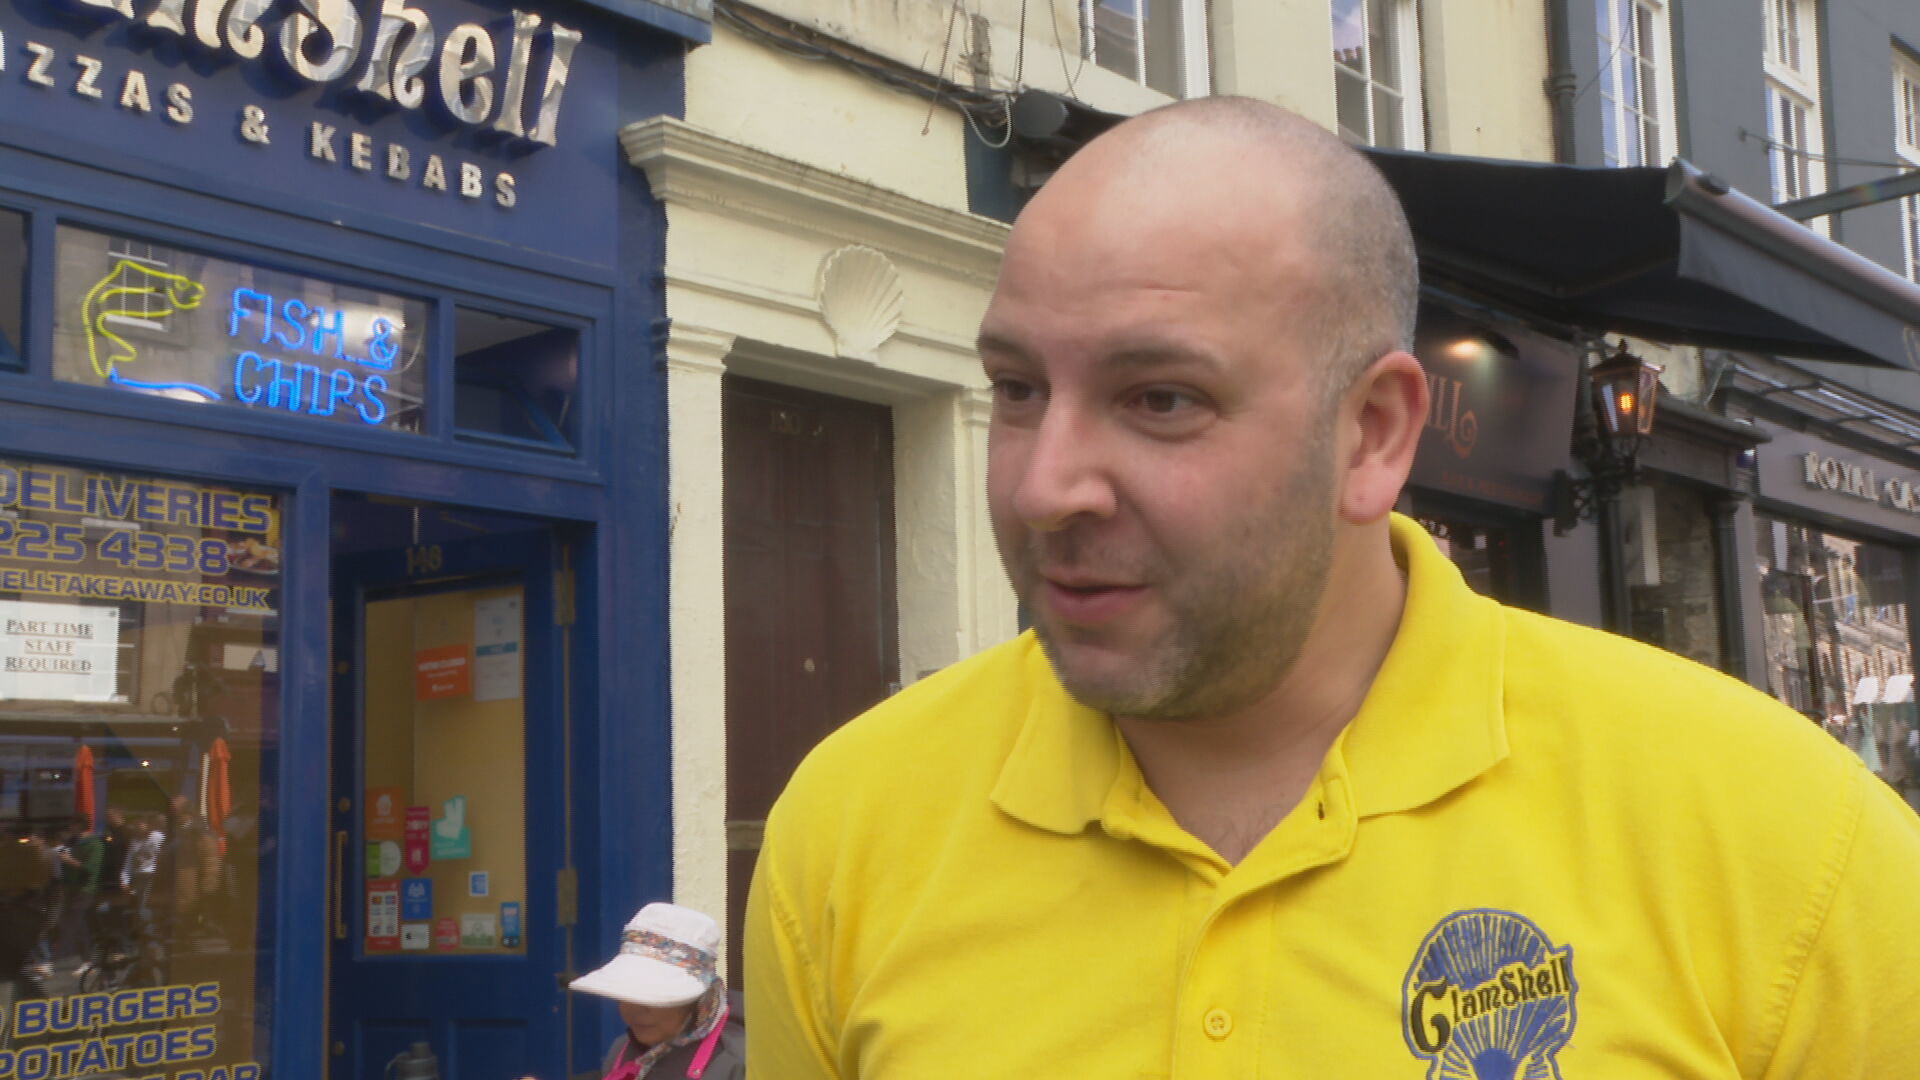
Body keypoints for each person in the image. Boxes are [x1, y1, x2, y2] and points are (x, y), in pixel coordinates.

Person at [744, 96, 1920, 1077]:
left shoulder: (1788, 849)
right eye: (1016, 389)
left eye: (1160, 399)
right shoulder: (848, 833)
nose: (1048, 486)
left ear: (1372, 433)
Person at [534, 902, 743, 1080]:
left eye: (651, 998)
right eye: (627, 994)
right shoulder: (623, 1049)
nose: (633, 1010)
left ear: (697, 999)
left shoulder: (743, 1062)